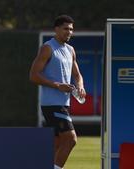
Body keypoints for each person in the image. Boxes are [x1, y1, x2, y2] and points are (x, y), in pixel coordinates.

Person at [29, 15, 86, 169]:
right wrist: (57, 85)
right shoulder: (47, 48)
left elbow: (77, 74)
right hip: (52, 104)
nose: (69, 32)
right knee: (71, 139)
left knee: (58, 143)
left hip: (64, 104)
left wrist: (80, 86)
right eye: (66, 29)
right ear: (56, 29)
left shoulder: (70, 50)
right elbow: (33, 76)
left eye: (72, 29)